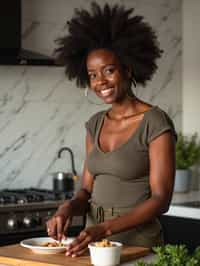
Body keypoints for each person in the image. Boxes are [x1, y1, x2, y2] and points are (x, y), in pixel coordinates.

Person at [46, 2, 176, 257]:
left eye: (109, 70)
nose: (100, 82)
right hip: (94, 242)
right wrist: (68, 208)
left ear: (127, 69)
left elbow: (161, 200)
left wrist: (105, 229)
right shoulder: (95, 124)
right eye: (93, 75)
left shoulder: (155, 122)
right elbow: (86, 190)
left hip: (138, 242)